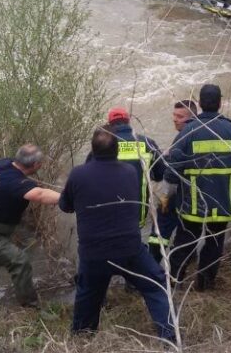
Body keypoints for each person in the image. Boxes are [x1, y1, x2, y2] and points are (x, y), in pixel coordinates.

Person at [60, 126, 175, 342]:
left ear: (92, 150)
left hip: (93, 253)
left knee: (88, 295)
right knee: (156, 285)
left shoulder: (77, 174)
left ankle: (82, 337)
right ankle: (169, 337)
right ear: (117, 150)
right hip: (129, 250)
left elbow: (65, 206)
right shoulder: (129, 172)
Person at [166, 85, 231, 292]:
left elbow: (173, 168)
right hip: (223, 200)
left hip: (193, 202)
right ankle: (205, 284)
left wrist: (167, 193)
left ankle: (174, 282)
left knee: (185, 242)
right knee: (215, 243)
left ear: (199, 104)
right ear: (220, 103)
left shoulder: (188, 131)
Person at [0, 144, 61, 317]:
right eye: (41, 162)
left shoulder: (3, 164)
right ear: (36, 165)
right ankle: (31, 311)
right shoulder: (19, 183)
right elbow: (40, 195)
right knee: (19, 261)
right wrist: (71, 197)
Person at [95, 107, 162, 231]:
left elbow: (91, 174)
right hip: (137, 212)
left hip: (108, 214)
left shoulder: (103, 144)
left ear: (109, 123)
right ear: (128, 121)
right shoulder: (147, 143)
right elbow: (160, 174)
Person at [147, 100, 197, 260]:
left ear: (192, 117)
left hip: (179, 193)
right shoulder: (196, 133)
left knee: (160, 231)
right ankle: (187, 259)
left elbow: (174, 172)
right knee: (188, 233)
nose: (175, 119)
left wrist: (165, 196)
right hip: (192, 197)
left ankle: (153, 263)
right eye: (174, 115)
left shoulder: (184, 137)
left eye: (180, 116)